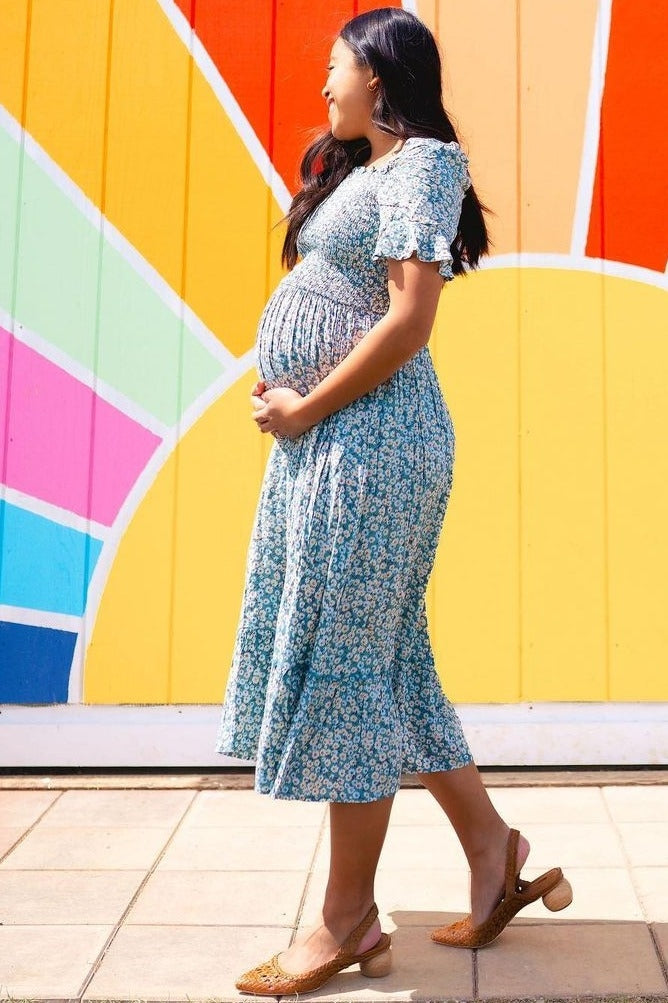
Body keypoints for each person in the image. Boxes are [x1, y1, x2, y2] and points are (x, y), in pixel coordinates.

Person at [215, 7, 572, 996]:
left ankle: (347, 922)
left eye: (332, 66)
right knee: (391, 666)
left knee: (352, 671)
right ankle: (494, 852)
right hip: (333, 442)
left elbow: (411, 320)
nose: (321, 84)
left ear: (377, 74)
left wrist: (304, 407)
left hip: (374, 446)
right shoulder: (361, 171)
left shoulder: (421, 164)